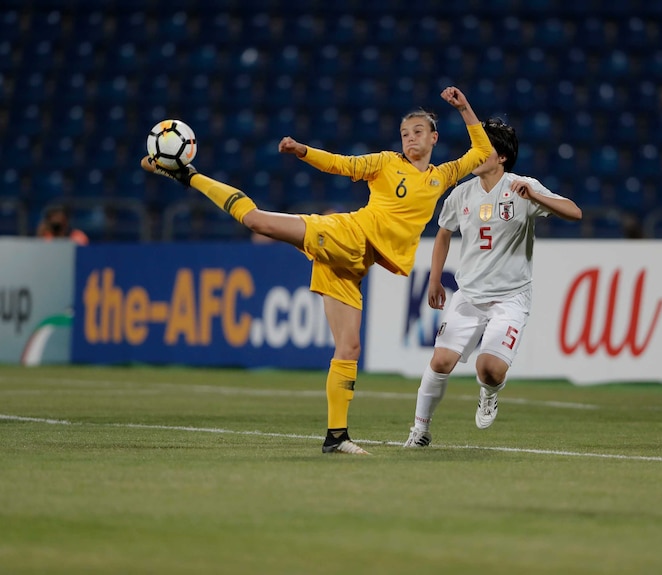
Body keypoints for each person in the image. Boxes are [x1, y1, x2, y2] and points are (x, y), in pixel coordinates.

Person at [141, 86, 492, 455]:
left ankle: (336, 438)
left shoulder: (443, 176)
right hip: (345, 235)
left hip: (354, 264)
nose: (410, 138)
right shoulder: (387, 163)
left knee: (349, 346)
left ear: (434, 137)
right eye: (405, 133)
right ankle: (189, 176)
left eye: (417, 132)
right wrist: (303, 151)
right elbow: (343, 164)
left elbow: (483, 152)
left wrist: (464, 107)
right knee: (259, 221)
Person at [403, 118, 582, 448]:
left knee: (489, 369)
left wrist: (537, 198)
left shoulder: (522, 187)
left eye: (482, 148)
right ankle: (420, 431)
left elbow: (574, 212)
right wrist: (434, 279)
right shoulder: (461, 194)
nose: (474, 153)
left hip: (510, 298)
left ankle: (489, 393)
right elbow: (444, 233)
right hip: (469, 295)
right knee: (440, 361)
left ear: (500, 157)